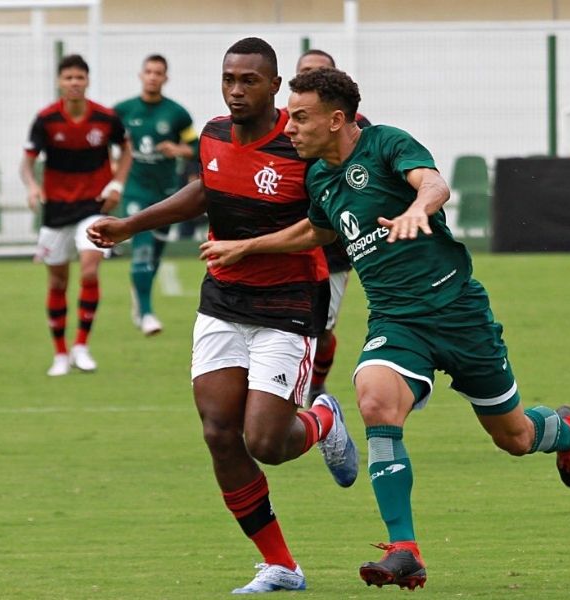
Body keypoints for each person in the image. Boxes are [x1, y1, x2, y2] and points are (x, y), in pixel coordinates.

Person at [198, 67, 570, 591]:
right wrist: (248, 247)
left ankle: (564, 430)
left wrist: (417, 210)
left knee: (515, 437)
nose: (288, 128)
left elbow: (435, 183)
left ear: (336, 119)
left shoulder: (385, 143)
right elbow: (315, 229)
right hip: (396, 320)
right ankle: (404, 548)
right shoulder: (318, 176)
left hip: (458, 312)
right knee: (375, 400)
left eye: (300, 117)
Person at [87, 38, 360, 594]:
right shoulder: (212, 133)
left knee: (266, 442)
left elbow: (323, 228)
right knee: (218, 432)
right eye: (229, 79)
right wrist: (129, 224)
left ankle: (322, 421)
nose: (237, 90)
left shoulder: (298, 144)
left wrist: (248, 248)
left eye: (249, 81)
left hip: (287, 306)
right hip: (223, 304)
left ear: (275, 86)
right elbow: (206, 190)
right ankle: (281, 564)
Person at [21, 54, 131, 377]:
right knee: (57, 280)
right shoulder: (46, 120)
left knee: (89, 269)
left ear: (87, 81)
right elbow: (26, 162)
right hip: (56, 209)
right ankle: (60, 353)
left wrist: (117, 185)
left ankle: (81, 346)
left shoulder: (106, 118)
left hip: (93, 207)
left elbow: (127, 150)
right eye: (68, 78)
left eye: (79, 78)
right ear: (59, 82)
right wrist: (31, 186)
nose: (74, 83)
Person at [294, 49, 371, 403]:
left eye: (319, 73)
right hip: (289, 239)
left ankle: (317, 383)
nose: (311, 78)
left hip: (333, 246)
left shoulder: (361, 131)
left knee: (321, 328)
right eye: (305, 72)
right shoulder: (282, 129)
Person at [114, 54, 198, 336]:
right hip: (135, 191)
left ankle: (140, 298)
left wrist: (178, 151)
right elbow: (105, 140)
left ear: (165, 78)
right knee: (143, 247)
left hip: (166, 193)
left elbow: (196, 147)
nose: (152, 76)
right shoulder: (123, 110)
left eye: (158, 72)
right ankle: (148, 313)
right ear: (141, 75)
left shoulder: (177, 114)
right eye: (148, 71)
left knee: (155, 253)